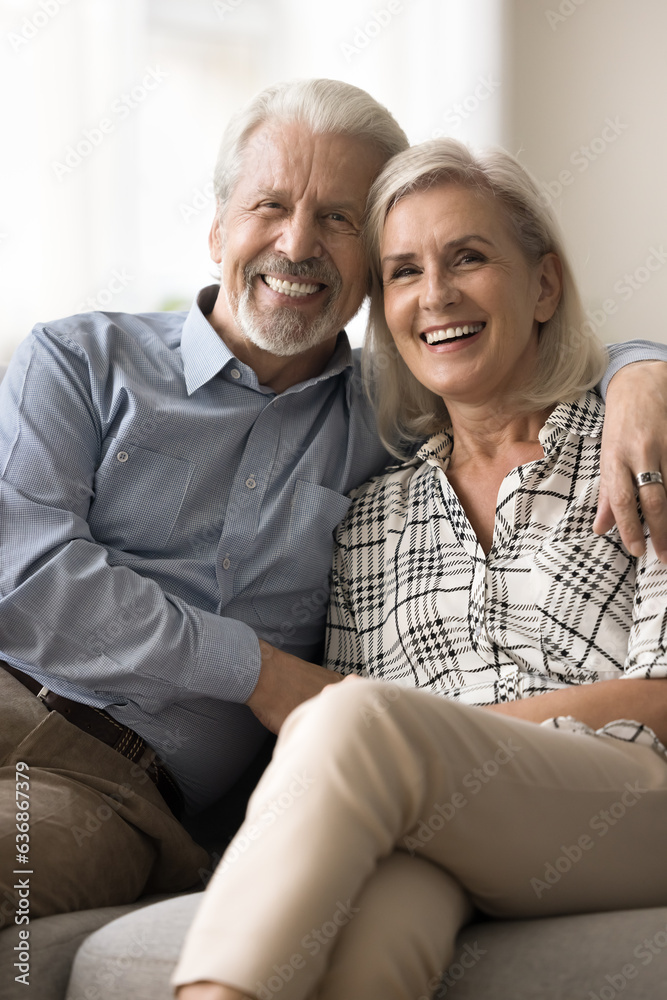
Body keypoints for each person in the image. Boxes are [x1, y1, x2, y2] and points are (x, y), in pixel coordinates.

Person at [0, 80, 666, 925]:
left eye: (339, 221)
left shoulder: (390, 426)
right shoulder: (80, 360)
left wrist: (644, 370)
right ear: (216, 231)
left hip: (110, 782)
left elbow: (515, 348)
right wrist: (261, 673)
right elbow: (28, 578)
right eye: (269, 205)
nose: (296, 243)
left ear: (365, 267)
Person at [172, 138, 667, 1000]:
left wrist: (434, 740)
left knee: (359, 719)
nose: (434, 295)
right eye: (402, 272)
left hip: (634, 803)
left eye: (467, 258)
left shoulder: (635, 445)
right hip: (448, 822)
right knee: (368, 933)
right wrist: (421, 754)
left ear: (542, 284)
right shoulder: (368, 516)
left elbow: (661, 695)